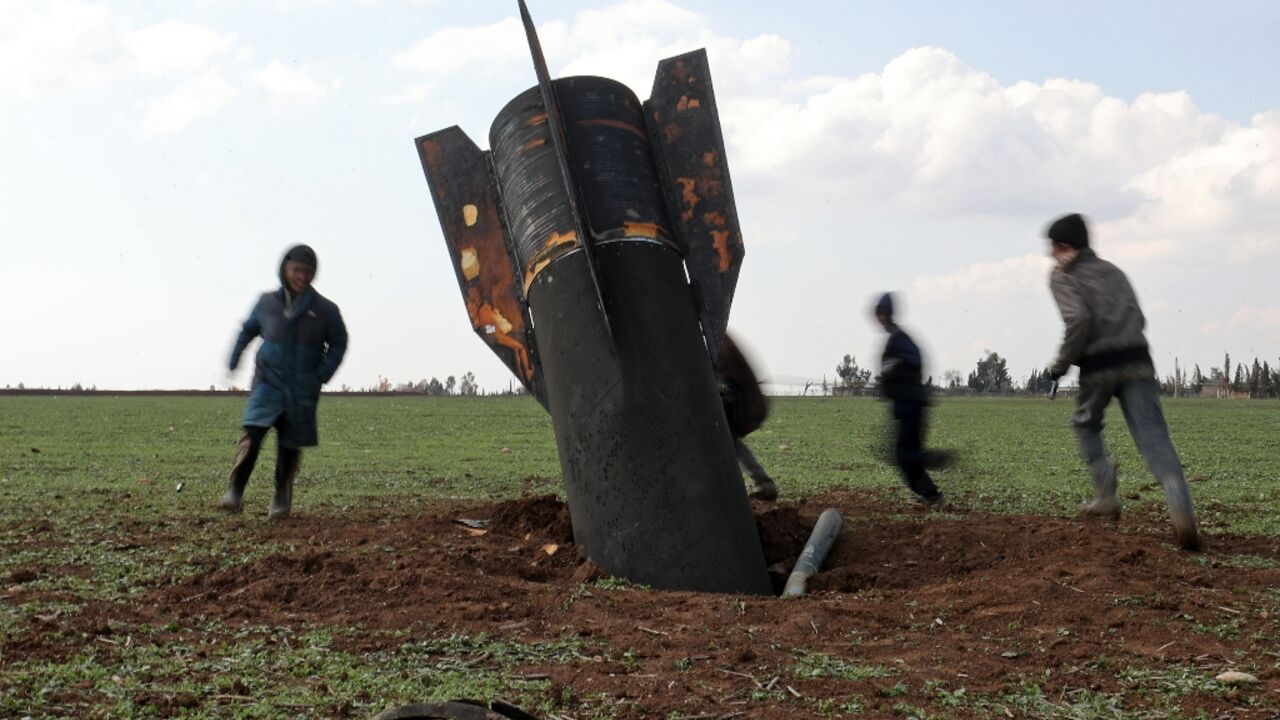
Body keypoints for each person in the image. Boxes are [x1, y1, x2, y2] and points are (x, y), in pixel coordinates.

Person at [1044, 213, 1201, 551]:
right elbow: (1140, 317)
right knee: (1153, 436)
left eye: (1053, 248)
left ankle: (1105, 495)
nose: (1050, 255)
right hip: (1138, 361)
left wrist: (1059, 366)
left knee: (1086, 423)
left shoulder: (1062, 276)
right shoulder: (1115, 271)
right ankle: (1180, 506)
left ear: (1065, 247)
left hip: (1099, 366)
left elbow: (1078, 321)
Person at [218, 244, 348, 519]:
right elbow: (247, 331)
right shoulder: (266, 303)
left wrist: (321, 375)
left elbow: (339, 343)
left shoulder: (325, 310)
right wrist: (234, 358)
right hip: (267, 382)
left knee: (289, 445)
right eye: (296, 270)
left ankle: (280, 497)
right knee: (252, 435)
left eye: (308, 272)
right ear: (285, 269)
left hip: (301, 389)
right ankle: (235, 491)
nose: (301, 276)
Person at [873, 292, 947, 506]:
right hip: (906, 404)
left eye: (883, 313)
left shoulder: (899, 338)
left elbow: (911, 361)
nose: (881, 318)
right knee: (904, 455)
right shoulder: (896, 338)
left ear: (890, 314)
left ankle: (930, 459)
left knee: (905, 454)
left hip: (911, 405)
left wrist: (890, 370)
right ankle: (931, 495)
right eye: (879, 314)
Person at [717, 333, 778, 501]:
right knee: (728, 440)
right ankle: (761, 482)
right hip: (747, 402)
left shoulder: (712, 342)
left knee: (719, 436)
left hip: (742, 404)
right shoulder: (715, 335)